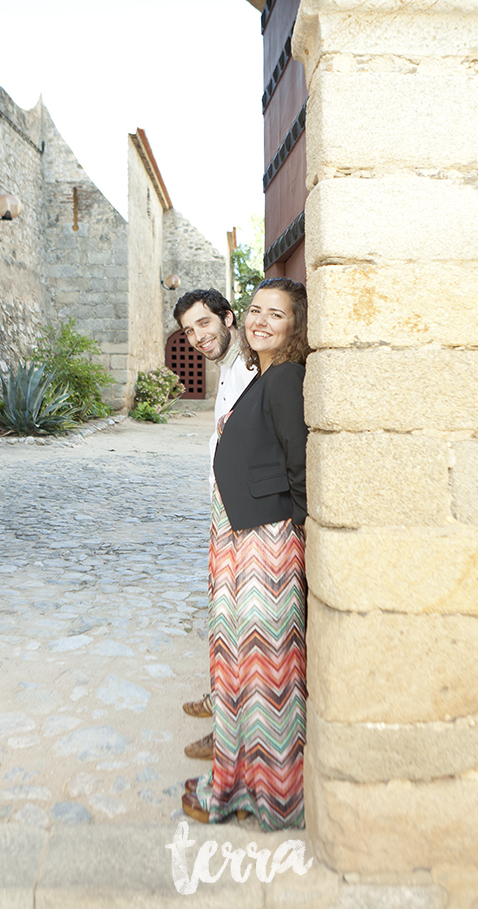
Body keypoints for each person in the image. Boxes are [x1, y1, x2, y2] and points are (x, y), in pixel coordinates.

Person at [183, 277, 309, 830]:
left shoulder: (283, 380)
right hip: (243, 536)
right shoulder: (262, 373)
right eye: (256, 309)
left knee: (263, 669)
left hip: (266, 543)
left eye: (275, 315)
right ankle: (235, 781)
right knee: (239, 661)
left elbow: (300, 468)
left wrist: (296, 535)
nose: (261, 320)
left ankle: (272, 794)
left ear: (294, 325)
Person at [172, 289, 258, 759]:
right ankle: (221, 703)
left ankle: (232, 729)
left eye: (205, 323)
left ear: (227, 318)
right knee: (223, 621)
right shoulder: (227, 370)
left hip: (250, 519)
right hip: (225, 512)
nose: (198, 336)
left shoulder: (252, 370)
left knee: (237, 625)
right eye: (189, 330)